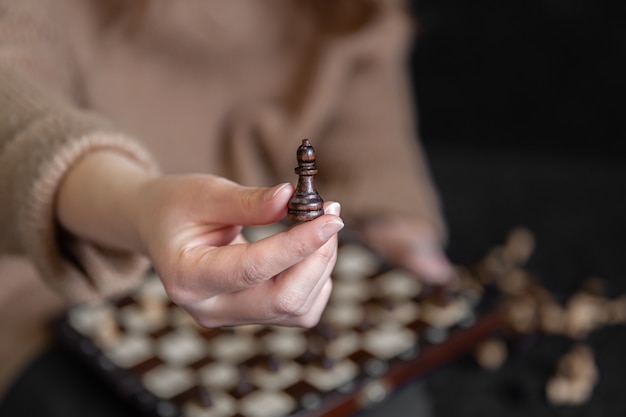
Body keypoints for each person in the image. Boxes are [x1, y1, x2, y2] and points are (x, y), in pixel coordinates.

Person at [0, 0, 451, 398]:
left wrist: (393, 226)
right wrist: (137, 203)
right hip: (53, 290)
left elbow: (362, 77)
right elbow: (12, 99)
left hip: (261, 264)